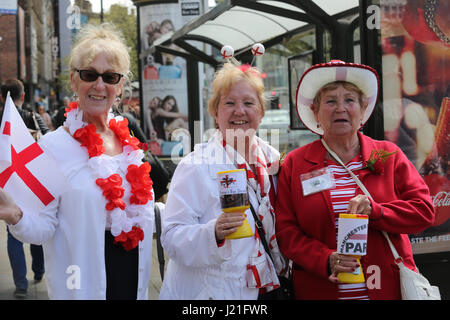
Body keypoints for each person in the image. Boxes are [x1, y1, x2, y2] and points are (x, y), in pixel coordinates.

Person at [0, 23, 155, 300]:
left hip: (133, 278)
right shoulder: (52, 147)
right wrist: (16, 216)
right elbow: (43, 227)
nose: (99, 85)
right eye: (89, 74)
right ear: (74, 81)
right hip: (82, 284)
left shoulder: (130, 143)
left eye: (109, 76)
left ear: (119, 86)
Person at [274, 60, 435, 300]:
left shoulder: (388, 155)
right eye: (330, 101)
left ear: (362, 111)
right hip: (320, 290)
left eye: (349, 100)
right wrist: (324, 259)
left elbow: (423, 211)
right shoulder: (295, 164)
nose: (341, 108)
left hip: (388, 290)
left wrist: (377, 211)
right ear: (316, 112)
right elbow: (286, 232)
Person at [159, 60, 286, 300]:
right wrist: (213, 233)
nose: (240, 111)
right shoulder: (195, 166)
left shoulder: (274, 161)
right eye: (229, 103)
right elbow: (171, 237)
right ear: (216, 113)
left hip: (268, 287)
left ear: (260, 111)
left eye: (249, 103)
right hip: (212, 295)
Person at [0, 79, 46, 299]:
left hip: (7, 184)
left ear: (2, 97)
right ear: (23, 96)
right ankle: (39, 270)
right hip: (31, 180)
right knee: (35, 222)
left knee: (13, 233)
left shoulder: (1, 120)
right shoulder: (32, 117)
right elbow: (47, 141)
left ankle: (20, 284)